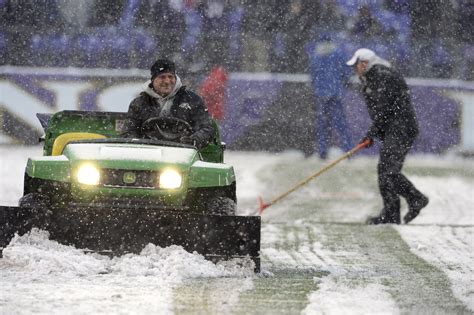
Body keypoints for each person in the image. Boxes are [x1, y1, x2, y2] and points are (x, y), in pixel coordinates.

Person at [346, 48, 429, 224]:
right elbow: (383, 110)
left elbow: (385, 108)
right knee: (385, 171)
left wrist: (372, 133)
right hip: (396, 128)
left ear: (365, 63)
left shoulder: (380, 75)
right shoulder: (375, 76)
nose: (355, 69)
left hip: (400, 128)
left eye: (356, 65)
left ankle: (414, 199)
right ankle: (393, 213)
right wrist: (374, 133)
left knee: (388, 172)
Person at [122, 59, 215, 149]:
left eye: (170, 77)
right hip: (148, 154)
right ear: (153, 80)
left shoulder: (192, 100)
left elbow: (206, 129)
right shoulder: (139, 103)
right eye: (162, 77)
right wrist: (140, 144)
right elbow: (128, 132)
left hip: (184, 153)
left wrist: (193, 141)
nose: (167, 81)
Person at [305, 32, 352, 159]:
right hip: (335, 94)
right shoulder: (338, 55)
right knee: (341, 125)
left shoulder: (315, 56)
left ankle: (322, 152)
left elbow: (312, 76)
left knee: (322, 126)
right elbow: (346, 73)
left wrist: (315, 90)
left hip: (320, 95)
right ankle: (348, 152)